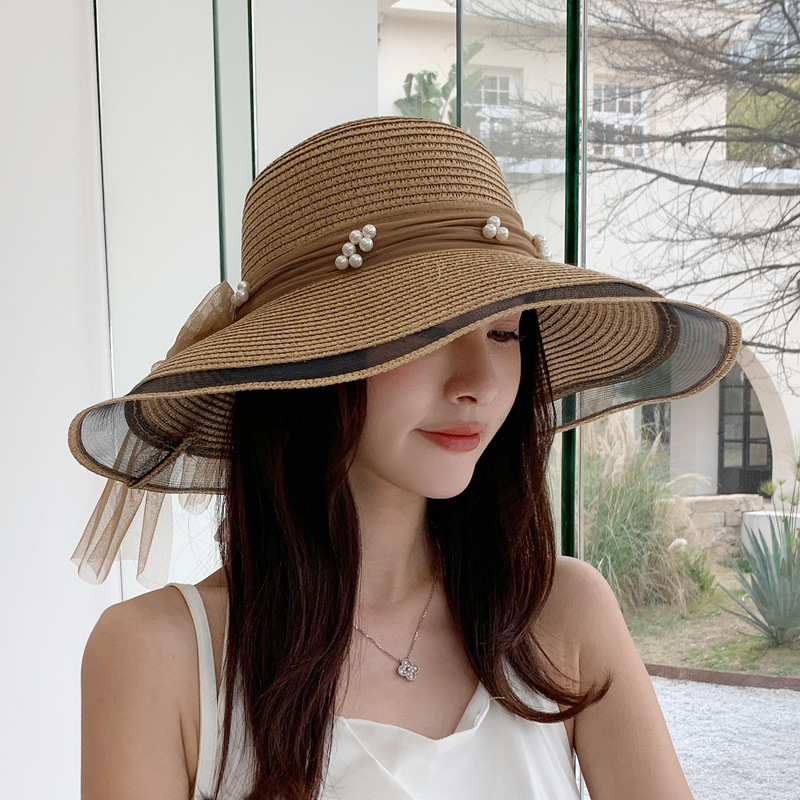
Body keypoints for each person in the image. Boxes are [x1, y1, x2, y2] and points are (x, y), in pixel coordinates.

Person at [70, 116, 740, 800]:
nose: (479, 382)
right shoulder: (159, 656)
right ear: (304, 363)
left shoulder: (563, 614)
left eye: (504, 332)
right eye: (427, 331)